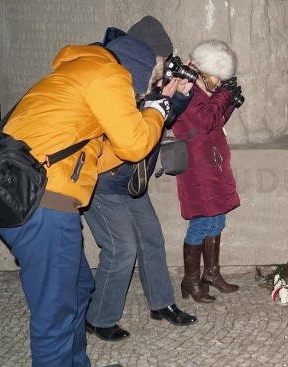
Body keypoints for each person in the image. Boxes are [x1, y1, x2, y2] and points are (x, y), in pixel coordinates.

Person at [0, 34, 180, 367]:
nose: (148, 86)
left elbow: (102, 155)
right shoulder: (106, 72)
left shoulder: (81, 76)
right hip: (43, 206)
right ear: (135, 66)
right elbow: (133, 145)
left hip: (35, 200)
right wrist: (156, 111)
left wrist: (155, 114)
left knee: (79, 287)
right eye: (150, 76)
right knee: (55, 311)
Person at [84, 16, 197, 342]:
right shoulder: (118, 80)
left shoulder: (149, 81)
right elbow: (130, 126)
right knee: (121, 249)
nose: (162, 67)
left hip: (132, 182)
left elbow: (155, 123)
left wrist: (177, 97)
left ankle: (161, 303)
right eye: (160, 61)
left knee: (151, 240)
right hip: (104, 183)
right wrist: (156, 97)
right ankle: (98, 318)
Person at [172, 40, 242, 303]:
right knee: (201, 221)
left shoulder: (204, 91)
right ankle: (190, 280)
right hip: (197, 167)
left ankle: (211, 273)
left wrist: (231, 103)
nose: (218, 83)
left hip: (212, 163)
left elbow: (216, 122)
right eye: (218, 78)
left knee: (217, 218)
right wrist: (224, 95)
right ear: (205, 71)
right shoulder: (188, 90)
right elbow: (204, 121)